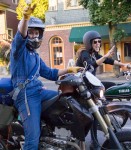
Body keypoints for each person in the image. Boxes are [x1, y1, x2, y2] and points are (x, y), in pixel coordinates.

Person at [10, 3, 81, 150]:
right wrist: (25, 17)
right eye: (31, 33)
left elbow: (50, 73)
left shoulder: (35, 56)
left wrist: (69, 69)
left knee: (66, 99)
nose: (34, 36)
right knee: (32, 141)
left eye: (37, 33)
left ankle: (51, 132)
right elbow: (20, 36)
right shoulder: (19, 51)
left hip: (38, 91)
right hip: (26, 95)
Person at [76, 30, 131, 150]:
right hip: (82, 88)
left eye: (99, 42)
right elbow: (91, 64)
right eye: (95, 42)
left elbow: (109, 61)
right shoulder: (84, 54)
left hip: (92, 85)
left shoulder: (94, 54)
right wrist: (106, 56)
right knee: (94, 114)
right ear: (88, 43)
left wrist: (124, 65)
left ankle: (114, 107)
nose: (98, 44)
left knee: (111, 85)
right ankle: (94, 142)